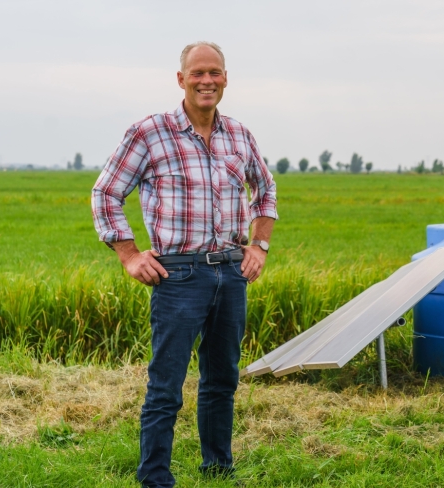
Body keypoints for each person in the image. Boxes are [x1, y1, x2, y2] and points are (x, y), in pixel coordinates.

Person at [91, 41, 277, 487]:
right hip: (178, 275)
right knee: (166, 387)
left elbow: (265, 190)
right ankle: (155, 478)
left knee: (221, 382)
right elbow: (106, 192)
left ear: (226, 79)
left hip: (231, 272)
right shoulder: (151, 133)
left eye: (215, 72)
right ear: (181, 80)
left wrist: (259, 246)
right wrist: (130, 255)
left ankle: (217, 470)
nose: (207, 81)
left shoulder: (239, 135)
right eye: (198, 73)